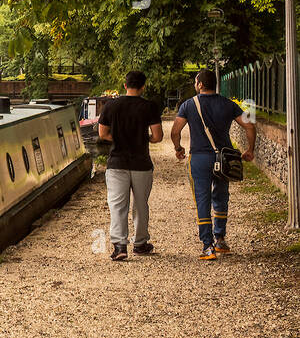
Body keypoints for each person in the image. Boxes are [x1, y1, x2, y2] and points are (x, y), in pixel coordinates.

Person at [169, 69, 257, 260]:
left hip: (199, 158)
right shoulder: (228, 104)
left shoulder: (188, 105)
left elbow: (175, 131)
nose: (195, 85)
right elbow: (250, 125)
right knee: (221, 196)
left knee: (202, 199)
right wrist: (250, 149)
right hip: (224, 158)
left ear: (200, 84)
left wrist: (178, 148)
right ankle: (221, 239)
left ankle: (207, 247)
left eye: (195, 82)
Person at [98, 70, 164, 261]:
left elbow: (103, 134)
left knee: (118, 205)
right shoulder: (149, 107)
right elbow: (158, 136)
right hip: (141, 163)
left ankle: (120, 247)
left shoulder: (111, 106)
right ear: (143, 87)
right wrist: (145, 139)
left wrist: (120, 138)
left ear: (125, 85)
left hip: (117, 162)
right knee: (140, 205)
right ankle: (141, 244)